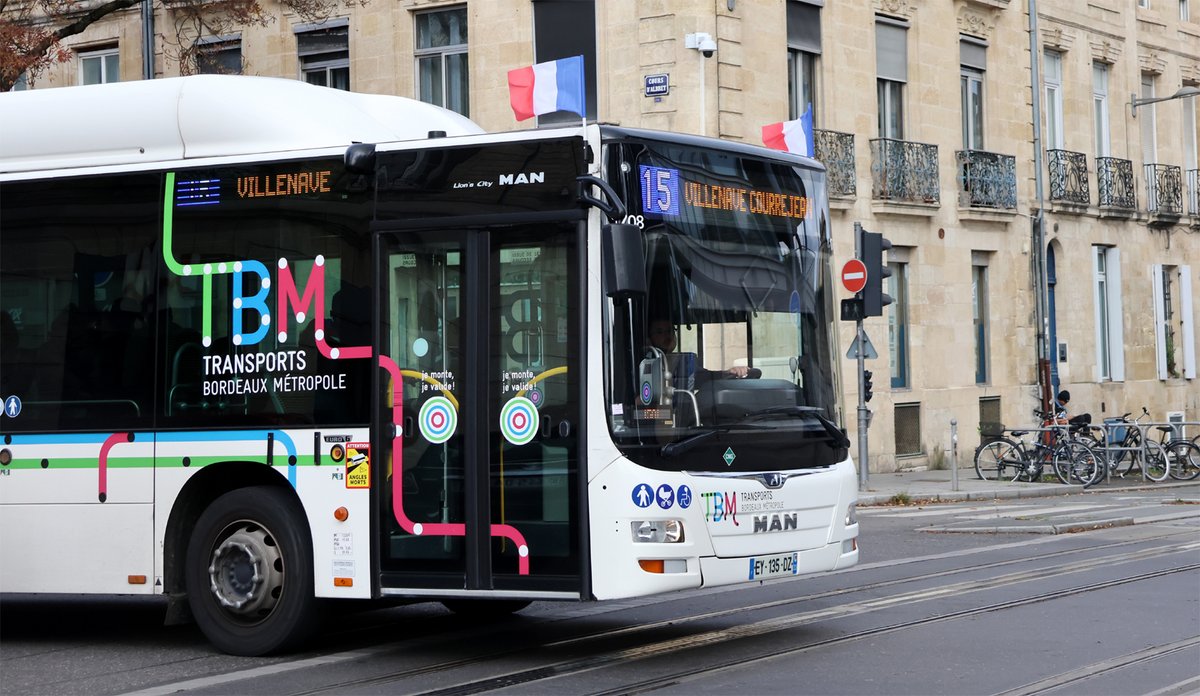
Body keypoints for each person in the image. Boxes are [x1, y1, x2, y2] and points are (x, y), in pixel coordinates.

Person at [648, 318, 751, 379]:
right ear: (648, 338)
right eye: (660, 332)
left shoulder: (684, 361)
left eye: (670, 330)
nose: (667, 335)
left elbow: (705, 377)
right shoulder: (645, 364)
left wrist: (729, 372)